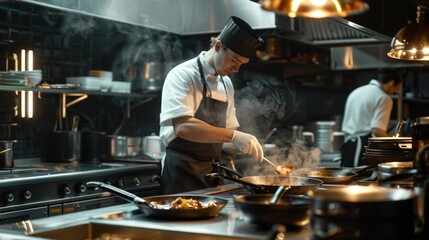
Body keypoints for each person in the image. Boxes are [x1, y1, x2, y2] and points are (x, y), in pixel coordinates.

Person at [159, 16, 265, 194]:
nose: (236, 69)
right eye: (234, 60)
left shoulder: (226, 83)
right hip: (181, 172)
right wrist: (233, 136)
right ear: (218, 46)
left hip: (212, 172)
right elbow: (183, 126)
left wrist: (246, 145)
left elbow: (224, 139)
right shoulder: (183, 75)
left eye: (241, 64)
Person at [340, 69, 401, 167]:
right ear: (391, 83)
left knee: (349, 180)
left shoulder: (356, 92)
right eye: (396, 89)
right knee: (364, 181)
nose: (394, 92)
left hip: (347, 147)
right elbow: (377, 130)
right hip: (363, 150)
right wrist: (396, 146)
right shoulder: (384, 98)